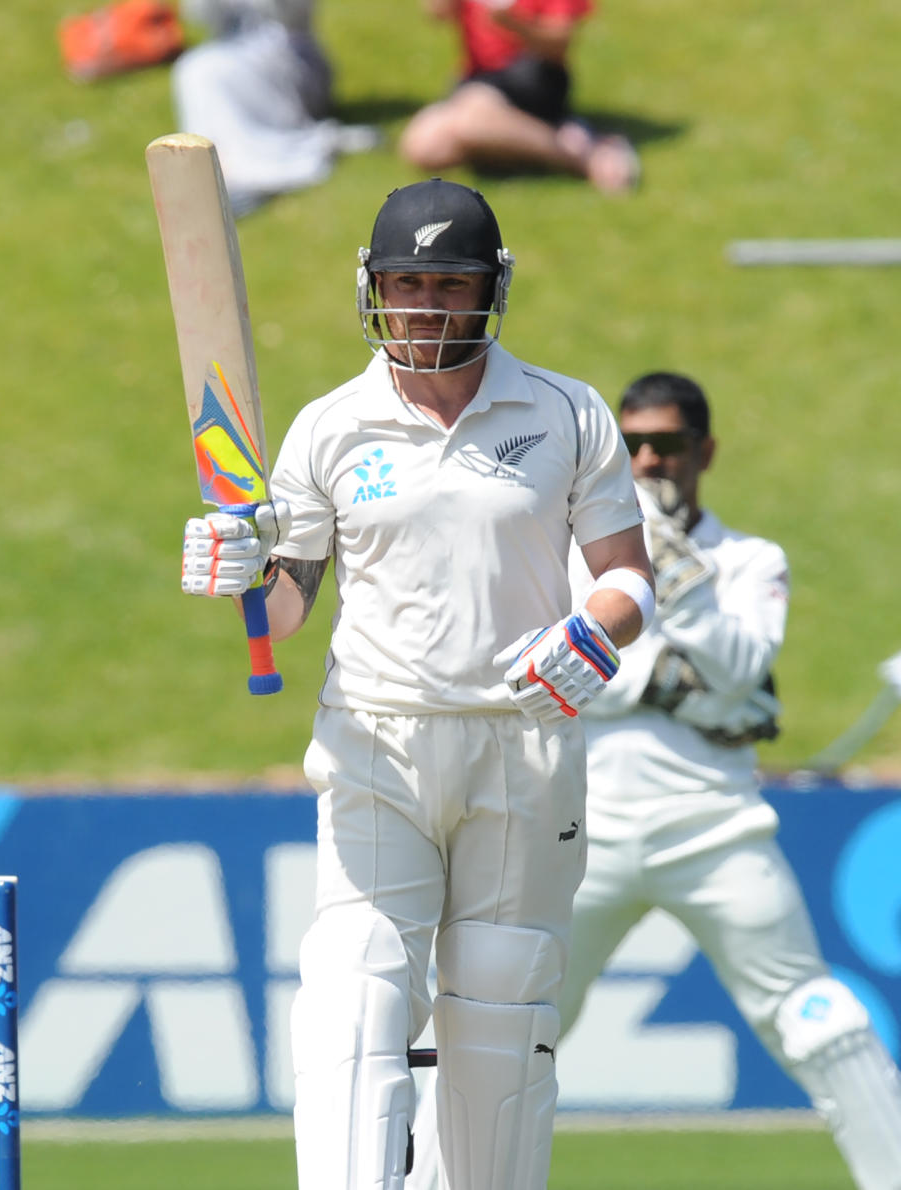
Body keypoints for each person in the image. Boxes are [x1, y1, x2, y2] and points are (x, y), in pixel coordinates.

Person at [180, 177, 654, 1188]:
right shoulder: (329, 427)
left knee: (498, 1006)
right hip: (378, 741)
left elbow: (627, 575)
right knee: (352, 992)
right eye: (407, 282)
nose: (428, 304)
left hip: (521, 747)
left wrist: (595, 632)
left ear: (493, 288)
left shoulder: (567, 412)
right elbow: (283, 610)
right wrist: (238, 573)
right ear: (373, 287)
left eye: (450, 282)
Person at [555, 372, 901, 1190]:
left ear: (703, 451)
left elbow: (744, 669)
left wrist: (681, 586)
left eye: (667, 445)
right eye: (633, 444)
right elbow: (563, 675)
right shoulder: (572, 557)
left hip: (714, 828)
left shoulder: (748, 560)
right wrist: (671, 685)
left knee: (820, 1022)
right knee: (510, 1027)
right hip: (582, 833)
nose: (648, 461)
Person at [399, 0, 640, 194]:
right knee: (423, 147)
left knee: (471, 121)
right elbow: (436, 13)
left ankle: (585, 157)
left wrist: (513, 24)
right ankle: (560, 141)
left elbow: (559, 44)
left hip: (533, 77)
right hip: (479, 79)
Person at [171, 0, 378, 216]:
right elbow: (200, 14)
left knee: (203, 70)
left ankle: (248, 171)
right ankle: (219, 169)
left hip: (290, 56)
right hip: (232, 51)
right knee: (194, 69)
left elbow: (293, 16)